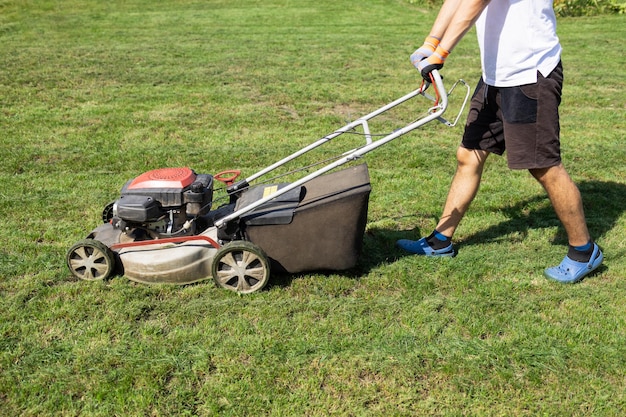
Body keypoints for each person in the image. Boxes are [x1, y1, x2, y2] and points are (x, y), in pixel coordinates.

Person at [397, 0, 603, 283]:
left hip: (530, 73)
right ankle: (440, 241)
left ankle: (584, 250)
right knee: (469, 155)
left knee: (543, 166)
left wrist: (442, 51)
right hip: (495, 76)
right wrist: (430, 42)